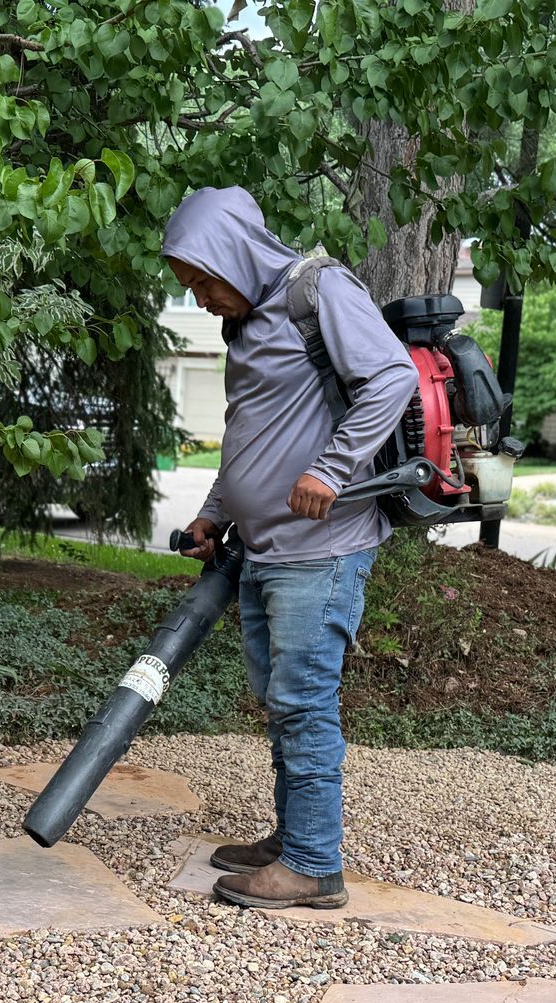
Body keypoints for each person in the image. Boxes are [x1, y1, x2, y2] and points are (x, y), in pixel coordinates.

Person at [163, 187, 418, 910]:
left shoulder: (319, 290)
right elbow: (253, 437)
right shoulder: (247, 327)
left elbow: (392, 377)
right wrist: (216, 513)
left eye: (205, 283)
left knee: (303, 703)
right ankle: (293, 836)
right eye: (191, 290)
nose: (205, 300)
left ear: (235, 258)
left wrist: (330, 471)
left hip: (320, 548)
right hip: (265, 549)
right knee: (281, 704)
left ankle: (313, 864)